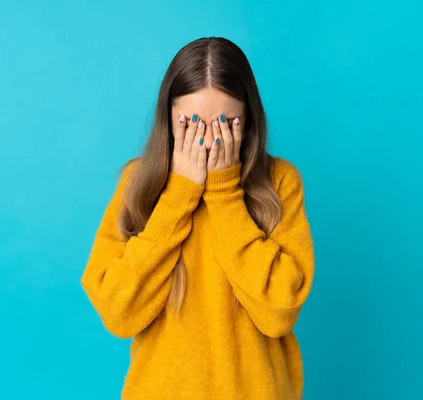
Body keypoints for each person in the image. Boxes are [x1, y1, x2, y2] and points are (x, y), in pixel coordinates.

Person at [81, 36, 315, 399]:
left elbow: (278, 312)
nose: (207, 142)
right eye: (190, 124)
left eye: (225, 124)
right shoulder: (137, 183)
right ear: (168, 118)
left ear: (248, 119)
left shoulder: (280, 183)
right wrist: (177, 196)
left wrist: (225, 194)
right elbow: (117, 312)